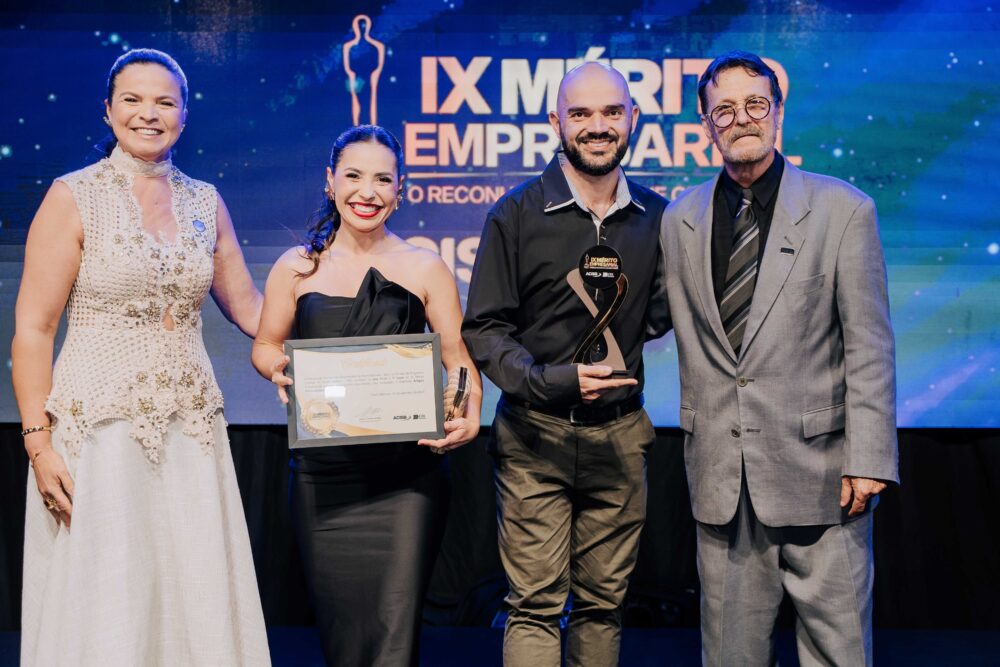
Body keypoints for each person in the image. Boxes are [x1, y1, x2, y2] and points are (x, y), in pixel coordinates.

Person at [12, 49, 269, 665]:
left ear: (184, 114)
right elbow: (33, 330)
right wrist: (39, 446)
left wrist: (330, 305)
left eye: (164, 102)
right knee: (110, 588)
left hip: (190, 429)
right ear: (108, 110)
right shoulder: (74, 196)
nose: (148, 114)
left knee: (191, 583)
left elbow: (253, 311)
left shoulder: (205, 201)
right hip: (98, 429)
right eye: (132, 100)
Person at [658, 50, 898, 665]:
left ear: (779, 113)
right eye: (724, 110)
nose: (742, 119)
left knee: (839, 653)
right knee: (729, 656)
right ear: (706, 125)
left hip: (824, 477)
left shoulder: (845, 210)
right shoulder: (679, 219)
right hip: (722, 482)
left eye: (755, 104)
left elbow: (870, 345)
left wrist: (869, 459)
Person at [462, 63, 669, 667]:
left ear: (633, 118)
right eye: (581, 113)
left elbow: (660, 313)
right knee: (533, 605)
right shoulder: (516, 214)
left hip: (621, 437)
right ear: (556, 121)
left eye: (611, 112)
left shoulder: (659, 217)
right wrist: (550, 381)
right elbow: (485, 328)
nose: (597, 126)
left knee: (603, 607)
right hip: (534, 436)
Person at [251, 124, 482, 667]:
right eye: (354, 176)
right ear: (330, 181)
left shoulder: (425, 266)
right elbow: (265, 345)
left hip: (406, 480)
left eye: (383, 179)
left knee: (393, 641)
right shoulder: (296, 266)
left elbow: (459, 363)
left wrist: (466, 408)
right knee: (344, 644)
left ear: (401, 189)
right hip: (322, 477)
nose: (367, 192)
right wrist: (278, 368)